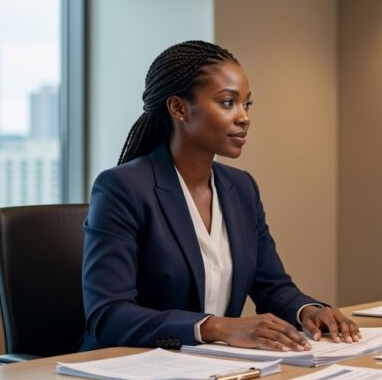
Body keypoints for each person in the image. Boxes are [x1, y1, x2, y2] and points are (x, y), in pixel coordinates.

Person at [81, 40, 360, 352]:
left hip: (209, 371)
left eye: (247, 104)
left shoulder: (240, 188)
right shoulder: (123, 188)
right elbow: (108, 315)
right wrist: (215, 327)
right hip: (126, 372)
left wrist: (310, 311)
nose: (244, 117)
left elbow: (272, 286)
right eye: (228, 102)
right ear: (178, 107)